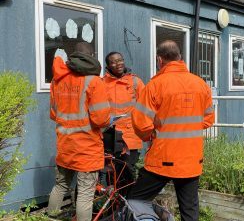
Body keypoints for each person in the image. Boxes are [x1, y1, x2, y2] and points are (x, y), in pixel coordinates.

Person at [128, 40, 215, 221]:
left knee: (135, 200)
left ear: (159, 60)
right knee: (189, 210)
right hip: (191, 158)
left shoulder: (155, 85)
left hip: (163, 158)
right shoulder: (201, 84)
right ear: (180, 57)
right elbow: (208, 120)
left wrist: (150, 134)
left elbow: (140, 123)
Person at [48, 42, 110, 221]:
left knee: (60, 185)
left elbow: (54, 113)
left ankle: (51, 218)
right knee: (85, 193)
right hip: (87, 147)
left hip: (65, 145)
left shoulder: (57, 79)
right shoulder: (94, 81)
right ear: (91, 55)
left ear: (73, 56)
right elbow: (101, 119)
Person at [102, 51, 145, 179]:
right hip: (110, 136)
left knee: (128, 172)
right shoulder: (102, 83)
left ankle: (128, 199)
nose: (118, 64)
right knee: (111, 172)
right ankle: (114, 199)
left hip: (130, 135)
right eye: (113, 62)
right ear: (108, 66)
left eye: (120, 60)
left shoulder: (135, 82)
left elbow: (146, 107)